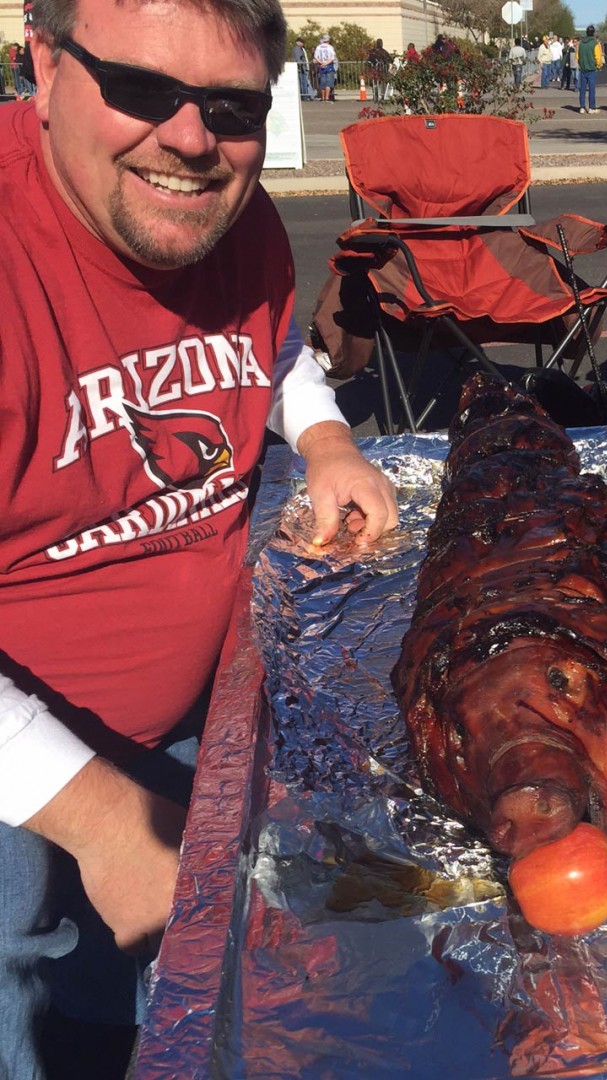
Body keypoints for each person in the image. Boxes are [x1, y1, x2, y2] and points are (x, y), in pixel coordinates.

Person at [0, 0, 399, 1071]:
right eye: (140, 89)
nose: (190, 138)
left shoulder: (236, 213)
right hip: (17, 778)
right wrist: (98, 823)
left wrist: (323, 443)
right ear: (43, 57)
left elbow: (271, 346)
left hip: (195, 723)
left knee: (160, 1006)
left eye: (231, 106)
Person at [577, 25, 601, 113]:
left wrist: (581, 64)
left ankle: (582, 107)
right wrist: (598, 66)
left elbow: (577, 56)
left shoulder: (581, 43)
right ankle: (591, 107)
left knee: (582, 89)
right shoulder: (595, 43)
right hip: (592, 69)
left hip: (583, 69)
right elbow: (598, 57)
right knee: (591, 89)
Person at [312, 32, 336, 102]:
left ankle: (322, 97)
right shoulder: (330, 47)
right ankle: (327, 97)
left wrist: (321, 62)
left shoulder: (319, 47)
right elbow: (333, 57)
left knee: (323, 82)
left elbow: (316, 56)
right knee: (328, 83)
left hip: (321, 66)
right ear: (328, 40)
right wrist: (326, 63)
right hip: (329, 66)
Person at [367, 37, 392, 103]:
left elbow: (368, 60)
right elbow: (390, 59)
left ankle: (376, 96)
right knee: (382, 83)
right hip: (382, 70)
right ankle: (382, 96)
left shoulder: (373, 51)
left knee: (375, 83)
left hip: (375, 70)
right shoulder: (383, 52)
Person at [292, 35, 315, 100]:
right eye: (301, 42)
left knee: (306, 82)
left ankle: (309, 95)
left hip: (304, 68)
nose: (302, 43)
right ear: (297, 42)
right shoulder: (297, 49)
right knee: (303, 83)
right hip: (301, 69)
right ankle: (304, 96)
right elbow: (298, 59)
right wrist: (301, 67)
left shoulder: (301, 49)